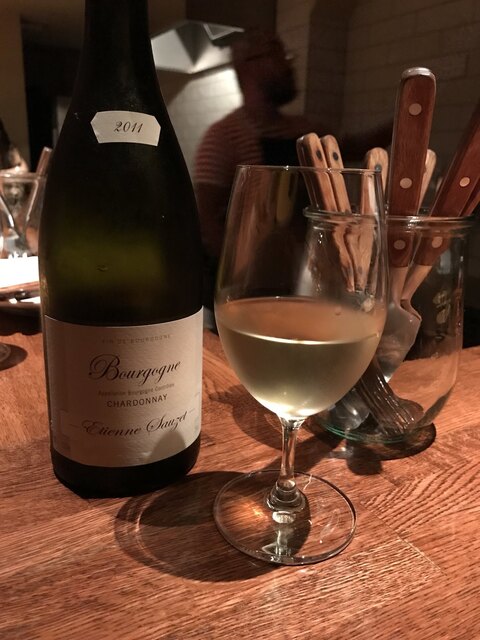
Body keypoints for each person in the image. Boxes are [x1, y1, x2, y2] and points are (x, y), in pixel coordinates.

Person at [194, 30, 390, 318]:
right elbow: (205, 218)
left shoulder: (304, 130)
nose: (289, 65)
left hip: (310, 284)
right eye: (278, 54)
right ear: (248, 65)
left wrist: (404, 120)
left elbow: (356, 146)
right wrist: (239, 281)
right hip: (251, 292)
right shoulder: (223, 137)